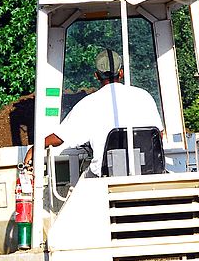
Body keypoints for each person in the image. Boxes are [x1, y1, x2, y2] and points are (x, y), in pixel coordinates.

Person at [24, 48, 164, 177]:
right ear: (121, 73)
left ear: (96, 76)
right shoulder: (144, 96)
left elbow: (60, 137)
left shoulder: (89, 104)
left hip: (107, 177)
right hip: (150, 173)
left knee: (79, 187)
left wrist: (35, 148)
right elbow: (159, 135)